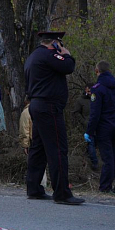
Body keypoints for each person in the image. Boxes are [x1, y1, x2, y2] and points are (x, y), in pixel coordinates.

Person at [24, 31, 84, 205]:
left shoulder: (33, 56)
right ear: (55, 43)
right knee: (58, 149)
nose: (62, 46)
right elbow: (68, 67)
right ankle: (62, 193)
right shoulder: (49, 55)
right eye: (60, 43)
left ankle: (34, 188)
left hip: (36, 105)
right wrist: (67, 55)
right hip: (49, 107)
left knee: (39, 148)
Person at [85, 60, 115, 194]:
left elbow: (95, 113)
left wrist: (89, 131)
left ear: (97, 71)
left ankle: (105, 187)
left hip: (104, 128)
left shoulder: (97, 89)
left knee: (107, 158)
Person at [19, 96, 47, 187]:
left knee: (34, 164)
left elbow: (24, 129)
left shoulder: (26, 112)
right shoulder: (41, 109)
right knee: (42, 163)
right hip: (42, 139)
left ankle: (35, 185)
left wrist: (25, 144)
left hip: (32, 140)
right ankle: (43, 184)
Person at [72, 86, 98, 171]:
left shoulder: (96, 98)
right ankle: (95, 163)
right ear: (85, 89)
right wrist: (84, 122)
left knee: (95, 143)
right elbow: (76, 112)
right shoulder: (80, 100)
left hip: (99, 124)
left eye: (91, 90)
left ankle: (93, 159)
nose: (90, 91)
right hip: (88, 125)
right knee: (91, 143)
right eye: (88, 89)